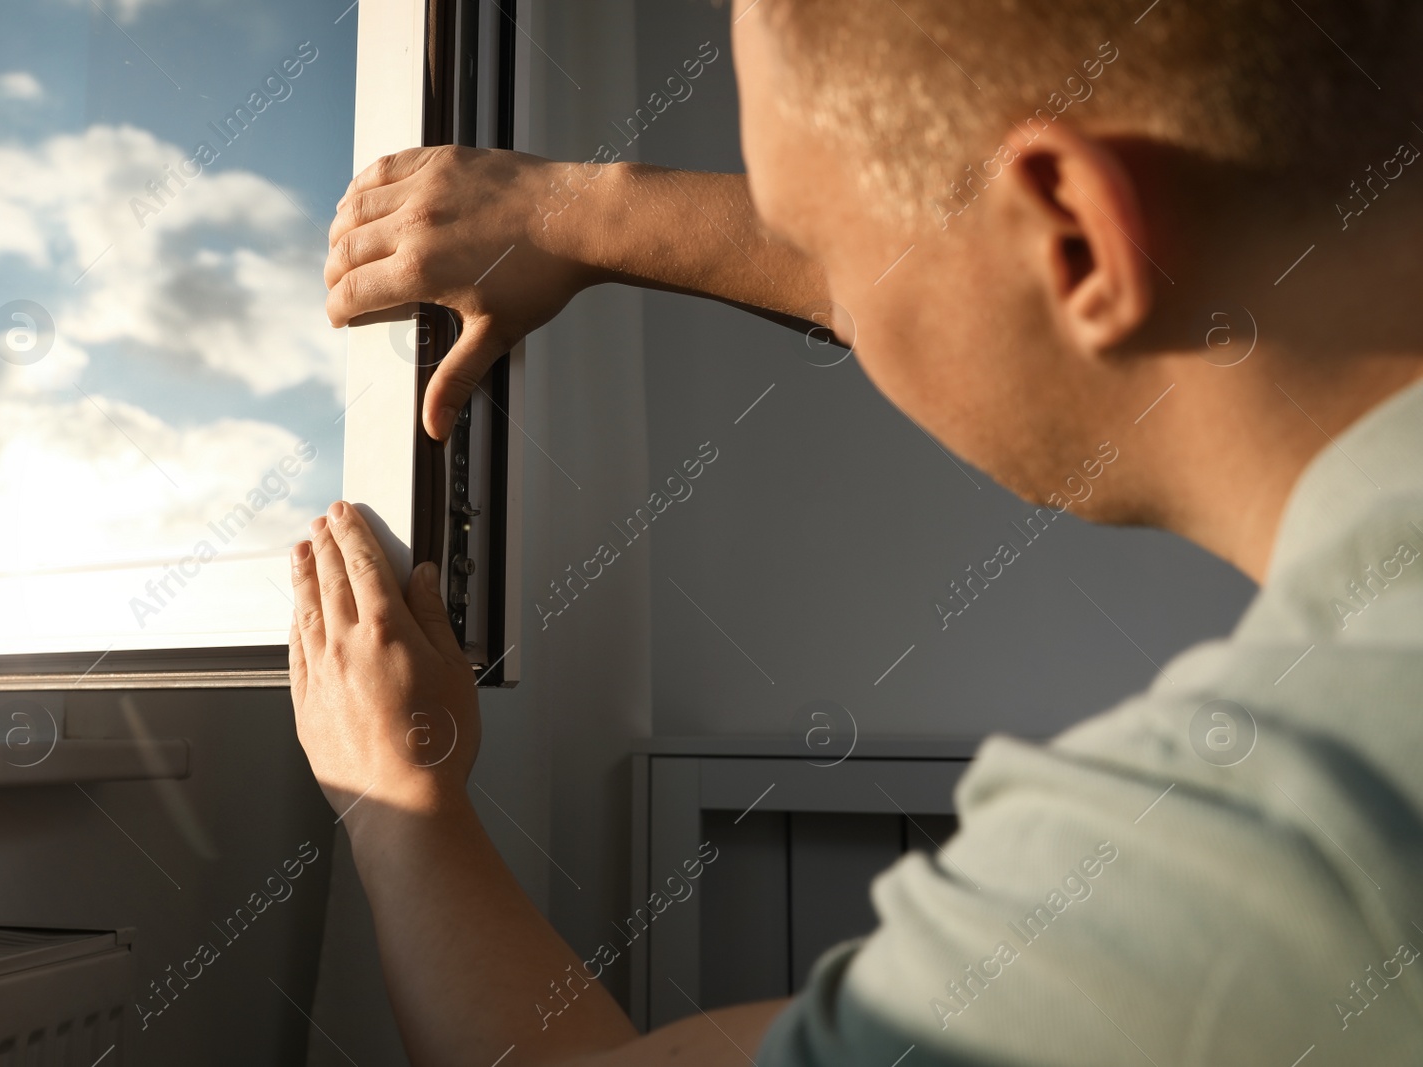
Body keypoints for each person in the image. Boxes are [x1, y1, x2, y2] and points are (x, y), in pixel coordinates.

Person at [287, 1, 1423, 1063]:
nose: (838, 302)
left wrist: (401, 799)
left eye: (816, 239)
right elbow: (996, 247)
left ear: (1074, 237)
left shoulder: (1256, 865)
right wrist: (572, 212)